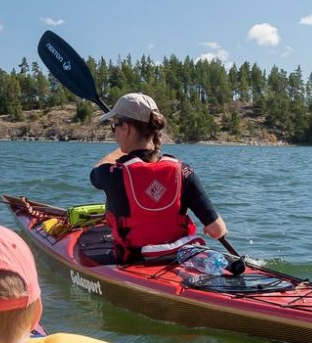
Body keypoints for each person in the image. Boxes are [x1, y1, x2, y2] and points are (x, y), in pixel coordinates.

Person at [90, 92, 227, 262]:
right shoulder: (184, 171)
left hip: (133, 261)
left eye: (115, 126)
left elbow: (94, 173)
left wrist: (124, 149)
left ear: (126, 128)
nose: (114, 132)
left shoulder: (112, 175)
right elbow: (217, 230)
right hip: (178, 259)